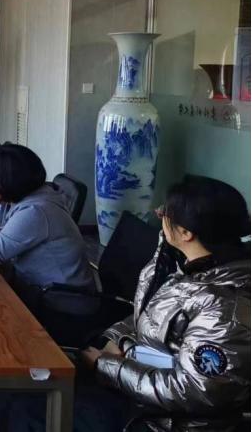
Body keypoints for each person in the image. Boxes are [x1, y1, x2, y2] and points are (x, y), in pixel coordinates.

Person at [80, 176, 250, 431]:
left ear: (186, 233)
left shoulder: (225, 307)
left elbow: (192, 390)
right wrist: (115, 339)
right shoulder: (188, 264)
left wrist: (107, 366)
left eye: (165, 213)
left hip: (166, 422)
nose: (158, 214)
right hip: (138, 393)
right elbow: (149, 316)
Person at [0, 144, 95, 313]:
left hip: (63, 303)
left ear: (5, 179)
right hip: (36, 288)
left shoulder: (34, 211)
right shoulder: (13, 198)